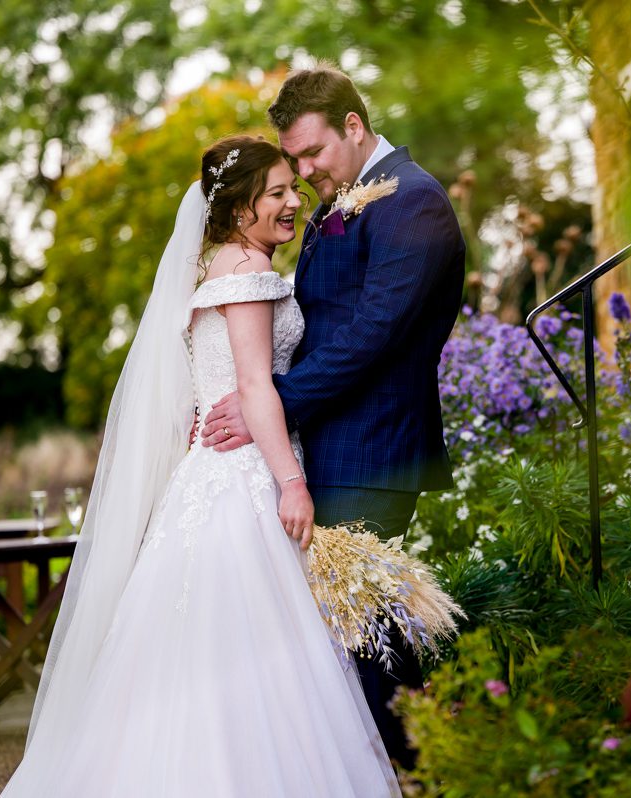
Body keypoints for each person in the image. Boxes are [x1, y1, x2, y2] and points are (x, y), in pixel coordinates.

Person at [1, 135, 401, 797]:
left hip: (220, 471)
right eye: (275, 192)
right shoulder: (245, 269)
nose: (290, 201)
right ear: (240, 206)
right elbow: (251, 385)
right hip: (244, 478)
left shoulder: (224, 263)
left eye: (291, 189)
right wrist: (293, 483)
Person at [199, 64, 466, 768]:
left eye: (312, 154)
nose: (305, 171)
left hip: (372, 450)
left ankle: (431, 767)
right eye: (294, 160)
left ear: (354, 126)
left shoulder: (414, 203)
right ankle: (418, 764)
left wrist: (271, 399)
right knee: (354, 638)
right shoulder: (340, 204)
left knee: (369, 641)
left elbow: (372, 334)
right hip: (327, 446)